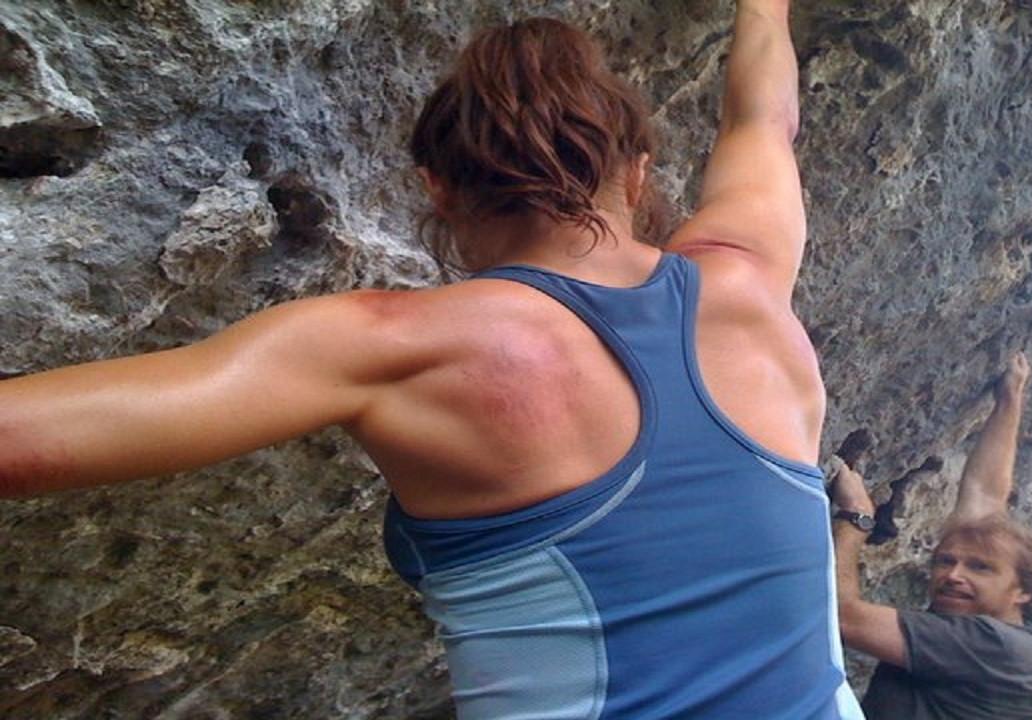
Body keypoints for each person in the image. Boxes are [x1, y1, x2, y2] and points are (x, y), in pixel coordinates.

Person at [1, 3, 864, 718]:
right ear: (637, 175)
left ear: (437, 189)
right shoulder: (748, 282)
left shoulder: (391, 348)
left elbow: (26, 444)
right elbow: (764, 120)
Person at [831, 353, 1032, 719]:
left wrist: (856, 520)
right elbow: (984, 496)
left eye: (979, 568)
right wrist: (1010, 399)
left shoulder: (989, 645)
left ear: (1025, 591)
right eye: (945, 561)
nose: (953, 574)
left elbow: (844, 619)